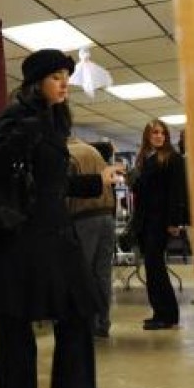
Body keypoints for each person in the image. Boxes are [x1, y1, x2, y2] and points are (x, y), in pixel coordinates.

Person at [0, 48, 122, 388]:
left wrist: (96, 181)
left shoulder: (55, 121)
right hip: (19, 238)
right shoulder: (17, 117)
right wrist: (30, 130)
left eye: (66, 77)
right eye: (57, 76)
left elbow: (50, 184)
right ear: (36, 81)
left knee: (78, 313)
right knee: (17, 327)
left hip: (57, 234)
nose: (64, 84)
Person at [130, 119, 187, 330]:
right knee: (152, 269)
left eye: (162, 133)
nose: (159, 136)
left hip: (160, 221)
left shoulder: (173, 158)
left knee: (157, 269)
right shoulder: (145, 159)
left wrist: (174, 221)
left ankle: (168, 314)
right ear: (147, 135)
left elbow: (176, 191)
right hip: (145, 222)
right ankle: (160, 312)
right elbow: (142, 190)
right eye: (155, 133)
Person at [67, 138, 117, 338]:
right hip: (106, 216)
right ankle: (102, 322)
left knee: (83, 273)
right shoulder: (94, 153)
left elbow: (66, 191)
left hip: (83, 217)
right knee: (102, 275)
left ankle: (86, 324)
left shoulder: (68, 155)